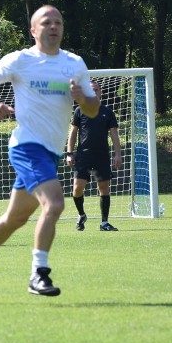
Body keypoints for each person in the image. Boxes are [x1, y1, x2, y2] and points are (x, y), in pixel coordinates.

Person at [0, 5, 99, 300]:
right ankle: (39, 273)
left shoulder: (74, 64)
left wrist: (82, 98)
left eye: (58, 22)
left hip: (50, 153)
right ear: (33, 31)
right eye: (46, 22)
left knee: (16, 218)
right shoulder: (20, 60)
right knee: (56, 204)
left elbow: (93, 109)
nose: (53, 26)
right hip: (26, 147)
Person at [66, 80, 122, 231]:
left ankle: (104, 223)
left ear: (100, 92)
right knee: (77, 189)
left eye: (96, 90)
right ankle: (82, 214)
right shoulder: (79, 111)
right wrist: (69, 153)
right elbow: (73, 133)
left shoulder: (108, 112)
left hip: (102, 156)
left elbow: (114, 134)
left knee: (103, 188)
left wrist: (118, 154)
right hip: (83, 156)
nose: (94, 92)